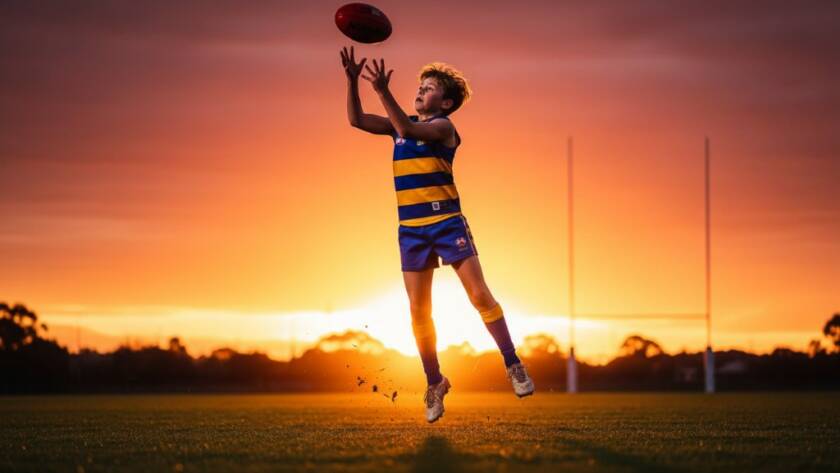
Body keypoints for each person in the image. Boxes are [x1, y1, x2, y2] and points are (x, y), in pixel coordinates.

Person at [340, 45, 534, 423]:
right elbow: (357, 120)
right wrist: (352, 81)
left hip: (447, 222)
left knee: (479, 294)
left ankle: (513, 364)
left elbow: (410, 128)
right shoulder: (400, 125)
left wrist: (382, 89)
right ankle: (435, 382)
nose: (420, 90)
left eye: (429, 88)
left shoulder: (443, 128)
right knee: (418, 311)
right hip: (411, 230)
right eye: (420, 85)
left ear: (445, 102)